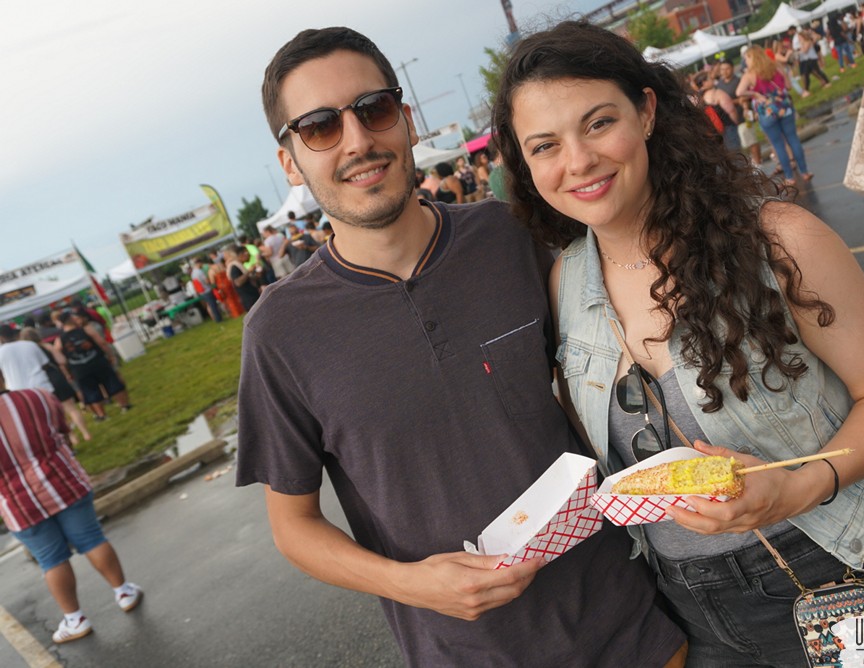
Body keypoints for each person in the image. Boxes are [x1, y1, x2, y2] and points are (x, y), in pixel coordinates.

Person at [235, 26, 686, 667]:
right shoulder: (279, 332)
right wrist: (407, 582)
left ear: (406, 120)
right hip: (467, 653)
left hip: (629, 623)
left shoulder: (510, 237)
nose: (359, 140)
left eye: (374, 109)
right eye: (319, 127)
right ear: (290, 161)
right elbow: (294, 527)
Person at [493, 20, 864, 665]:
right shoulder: (566, 282)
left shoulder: (778, 239)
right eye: (544, 146)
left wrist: (795, 488)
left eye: (597, 123)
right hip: (692, 615)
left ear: (646, 112)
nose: (578, 161)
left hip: (830, 574)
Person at [0, 376, 142, 643]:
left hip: (19, 504)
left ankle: (75, 619)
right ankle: (124, 592)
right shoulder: (37, 397)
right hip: (63, 483)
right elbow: (62, 430)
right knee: (92, 539)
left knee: (51, 560)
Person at [738, 45, 814, 186]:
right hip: (784, 107)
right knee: (793, 139)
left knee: (778, 144)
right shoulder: (776, 67)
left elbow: (739, 92)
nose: (745, 61)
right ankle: (805, 172)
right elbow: (789, 86)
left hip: (766, 111)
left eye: (746, 58)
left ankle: (789, 177)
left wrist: (755, 93)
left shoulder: (749, 75)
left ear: (751, 58)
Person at [54, 309, 131, 419]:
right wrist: (110, 355)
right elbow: (102, 343)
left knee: (91, 391)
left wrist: (67, 372)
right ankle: (125, 405)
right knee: (112, 382)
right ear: (71, 319)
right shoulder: (86, 330)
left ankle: (102, 415)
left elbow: (60, 359)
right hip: (97, 361)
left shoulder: (59, 340)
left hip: (79, 369)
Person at [19, 327, 91, 443]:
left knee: (57, 413)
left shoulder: (24, 353)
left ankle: (72, 437)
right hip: (56, 378)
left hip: (41, 382)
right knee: (71, 408)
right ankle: (85, 433)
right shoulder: (47, 346)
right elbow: (62, 360)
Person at [223, 245, 261, 312]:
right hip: (249, 299)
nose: (249, 256)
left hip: (253, 297)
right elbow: (238, 282)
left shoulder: (240, 265)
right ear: (241, 255)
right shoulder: (234, 267)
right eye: (247, 254)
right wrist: (248, 272)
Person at [191, 256, 223, 322]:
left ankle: (214, 318)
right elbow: (206, 281)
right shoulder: (200, 272)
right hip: (207, 290)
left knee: (209, 305)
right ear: (199, 263)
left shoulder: (193, 273)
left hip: (201, 292)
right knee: (213, 305)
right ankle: (218, 318)